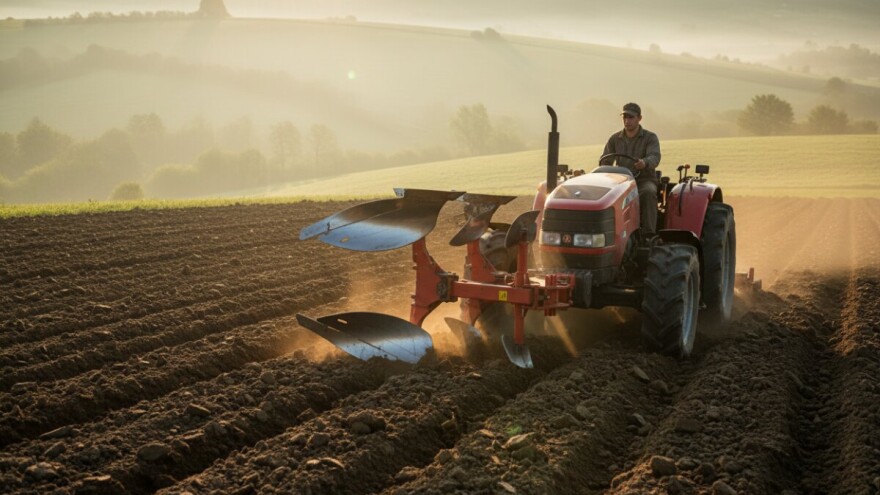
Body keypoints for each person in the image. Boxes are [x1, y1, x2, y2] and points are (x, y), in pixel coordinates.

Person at [599, 102, 661, 235]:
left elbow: (654, 157)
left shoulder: (650, 138)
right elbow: (605, 160)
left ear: (639, 118)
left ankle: (648, 234)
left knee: (649, 192)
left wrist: (644, 162)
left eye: (631, 117)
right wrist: (604, 167)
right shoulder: (615, 139)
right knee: (605, 197)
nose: (627, 121)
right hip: (621, 182)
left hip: (643, 179)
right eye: (625, 117)